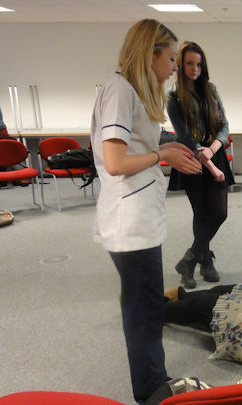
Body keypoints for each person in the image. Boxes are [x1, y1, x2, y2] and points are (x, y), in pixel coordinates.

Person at [90, 19, 203, 404]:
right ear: (149, 53)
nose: (174, 66)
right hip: (129, 220)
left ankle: (153, 380)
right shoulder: (120, 91)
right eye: (171, 58)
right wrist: (163, 155)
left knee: (147, 304)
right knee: (143, 309)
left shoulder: (130, 91)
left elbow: (138, 142)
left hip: (138, 217)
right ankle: (152, 389)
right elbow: (116, 160)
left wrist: (170, 146)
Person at [166, 41, 234, 289]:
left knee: (219, 212)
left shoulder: (211, 89)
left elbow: (225, 125)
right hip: (190, 156)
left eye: (198, 63)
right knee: (201, 213)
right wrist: (204, 157)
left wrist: (214, 148)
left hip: (213, 152)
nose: (194, 68)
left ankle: (189, 259)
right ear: (181, 65)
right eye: (189, 63)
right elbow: (183, 134)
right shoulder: (174, 95)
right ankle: (205, 260)